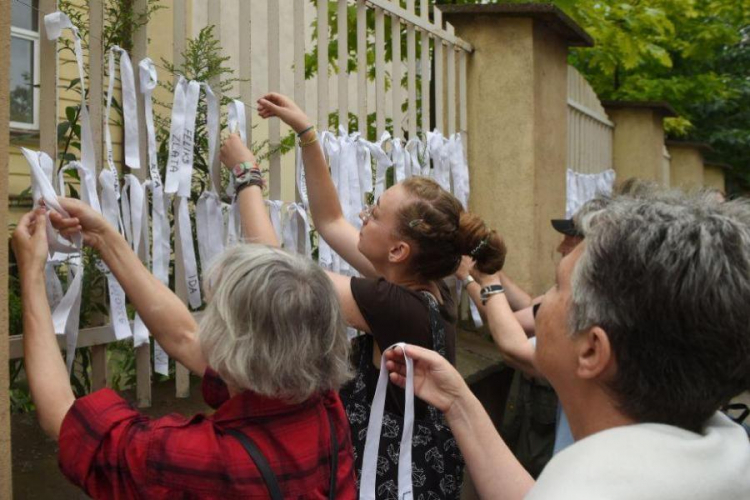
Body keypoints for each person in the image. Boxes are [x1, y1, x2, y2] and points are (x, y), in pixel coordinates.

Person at [219, 92, 506, 498]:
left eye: (374, 215)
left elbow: (273, 269)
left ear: (397, 251)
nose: (363, 214)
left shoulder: (394, 307)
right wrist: (306, 133)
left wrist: (247, 175)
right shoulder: (422, 284)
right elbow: (330, 219)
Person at [385, 189, 750, 499]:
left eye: (557, 287)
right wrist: (459, 404)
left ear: (592, 350)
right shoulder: (725, 450)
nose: (539, 302)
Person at [12, 201, 356, 499]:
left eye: (214, 311)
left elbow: (61, 414)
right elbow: (185, 339)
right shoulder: (323, 404)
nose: (206, 322)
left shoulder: (198, 460)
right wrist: (104, 237)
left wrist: (30, 272)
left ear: (233, 344)